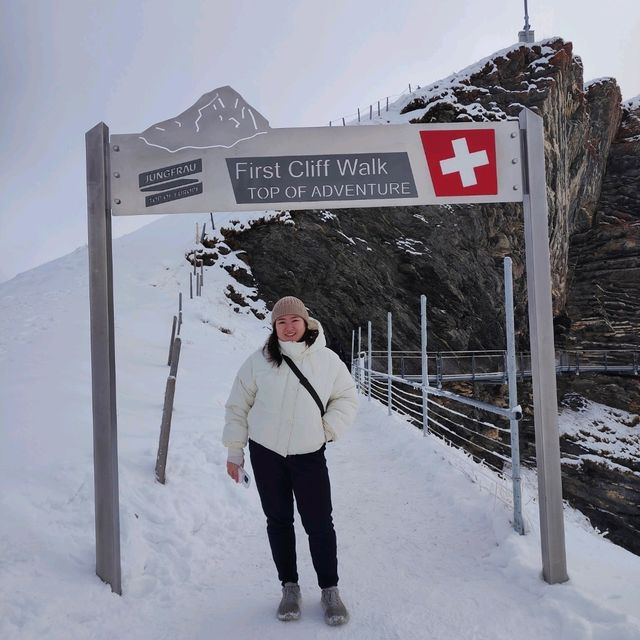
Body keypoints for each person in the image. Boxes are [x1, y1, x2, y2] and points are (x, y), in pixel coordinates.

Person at [223, 296, 358, 625]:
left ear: (306, 322)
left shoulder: (326, 361)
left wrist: (327, 429)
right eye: (281, 322)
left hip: (309, 454)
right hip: (266, 454)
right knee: (278, 521)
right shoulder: (259, 362)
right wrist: (235, 451)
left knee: (319, 524)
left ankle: (330, 590)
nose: (288, 327)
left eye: (293, 320)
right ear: (274, 327)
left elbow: (346, 397)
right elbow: (237, 407)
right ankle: (290, 588)